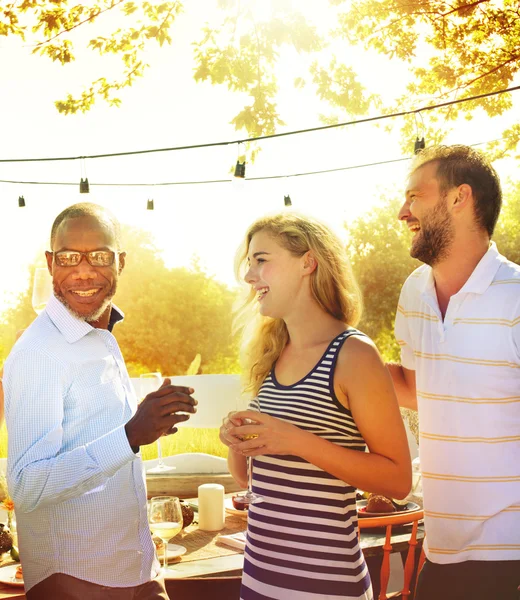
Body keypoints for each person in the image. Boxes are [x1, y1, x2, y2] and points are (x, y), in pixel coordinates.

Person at [3, 202, 198, 599]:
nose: (84, 269)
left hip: (135, 569)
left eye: (100, 256)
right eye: (69, 257)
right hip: (77, 581)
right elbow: (25, 487)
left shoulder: (100, 334)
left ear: (120, 262)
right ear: (50, 262)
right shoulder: (39, 353)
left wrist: (148, 419)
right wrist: (130, 435)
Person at [219, 213, 412, 600]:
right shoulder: (273, 353)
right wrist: (235, 439)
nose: (249, 276)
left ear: (308, 263)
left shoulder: (353, 354)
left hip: (327, 586)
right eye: (249, 263)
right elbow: (249, 480)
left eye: (261, 260)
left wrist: (293, 439)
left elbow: (398, 481)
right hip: (258, 580)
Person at [388, 145, 520, 600]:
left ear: (459, 198)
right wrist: (332, 352)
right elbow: (414, 390)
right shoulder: (414, 291)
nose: (403, 212)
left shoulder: (517, 297)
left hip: (510, 553)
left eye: (414, 197)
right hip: (442, 550)